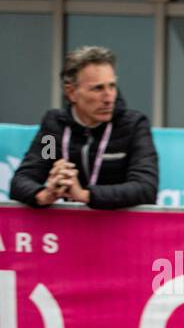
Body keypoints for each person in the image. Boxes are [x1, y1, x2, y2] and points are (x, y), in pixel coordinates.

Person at [8, 46, 158, 210]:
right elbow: (24, 179)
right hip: (68, 231)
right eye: (98, 88)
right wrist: (44, 194)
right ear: (71, 92)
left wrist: (84, 195)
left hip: (119, 231)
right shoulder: (53, 130)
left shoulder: (133, 126)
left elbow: (145, 188)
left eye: (112, 86)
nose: (109, 97)